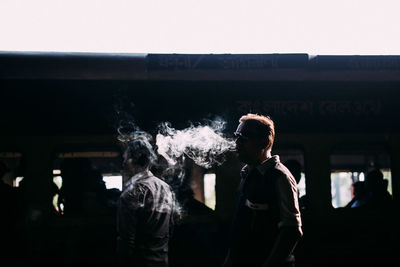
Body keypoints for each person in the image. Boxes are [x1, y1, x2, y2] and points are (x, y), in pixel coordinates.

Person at [224, 114, 303, 267]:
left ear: (265, 142)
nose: (237, 142)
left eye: (244, 137)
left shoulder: (279, 177)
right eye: (237, 136)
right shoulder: (247, 174)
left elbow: (292, 231)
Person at [117, 138, 175, 267]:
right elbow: (170, 229)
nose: (124, 162)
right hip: (162, 262)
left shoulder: (132, 193)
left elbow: (126, 241)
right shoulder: (166, 188)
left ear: (133, 160)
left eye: (125, 158)